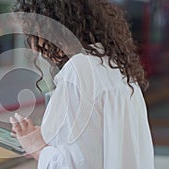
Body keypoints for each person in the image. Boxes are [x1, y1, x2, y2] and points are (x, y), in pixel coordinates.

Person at [9, 0, 155, 169]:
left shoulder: (78, 72)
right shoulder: (115, 66)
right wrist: (50, 136)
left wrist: (36, 147)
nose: (35, 49)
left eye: (33, 36)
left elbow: (74, 164)